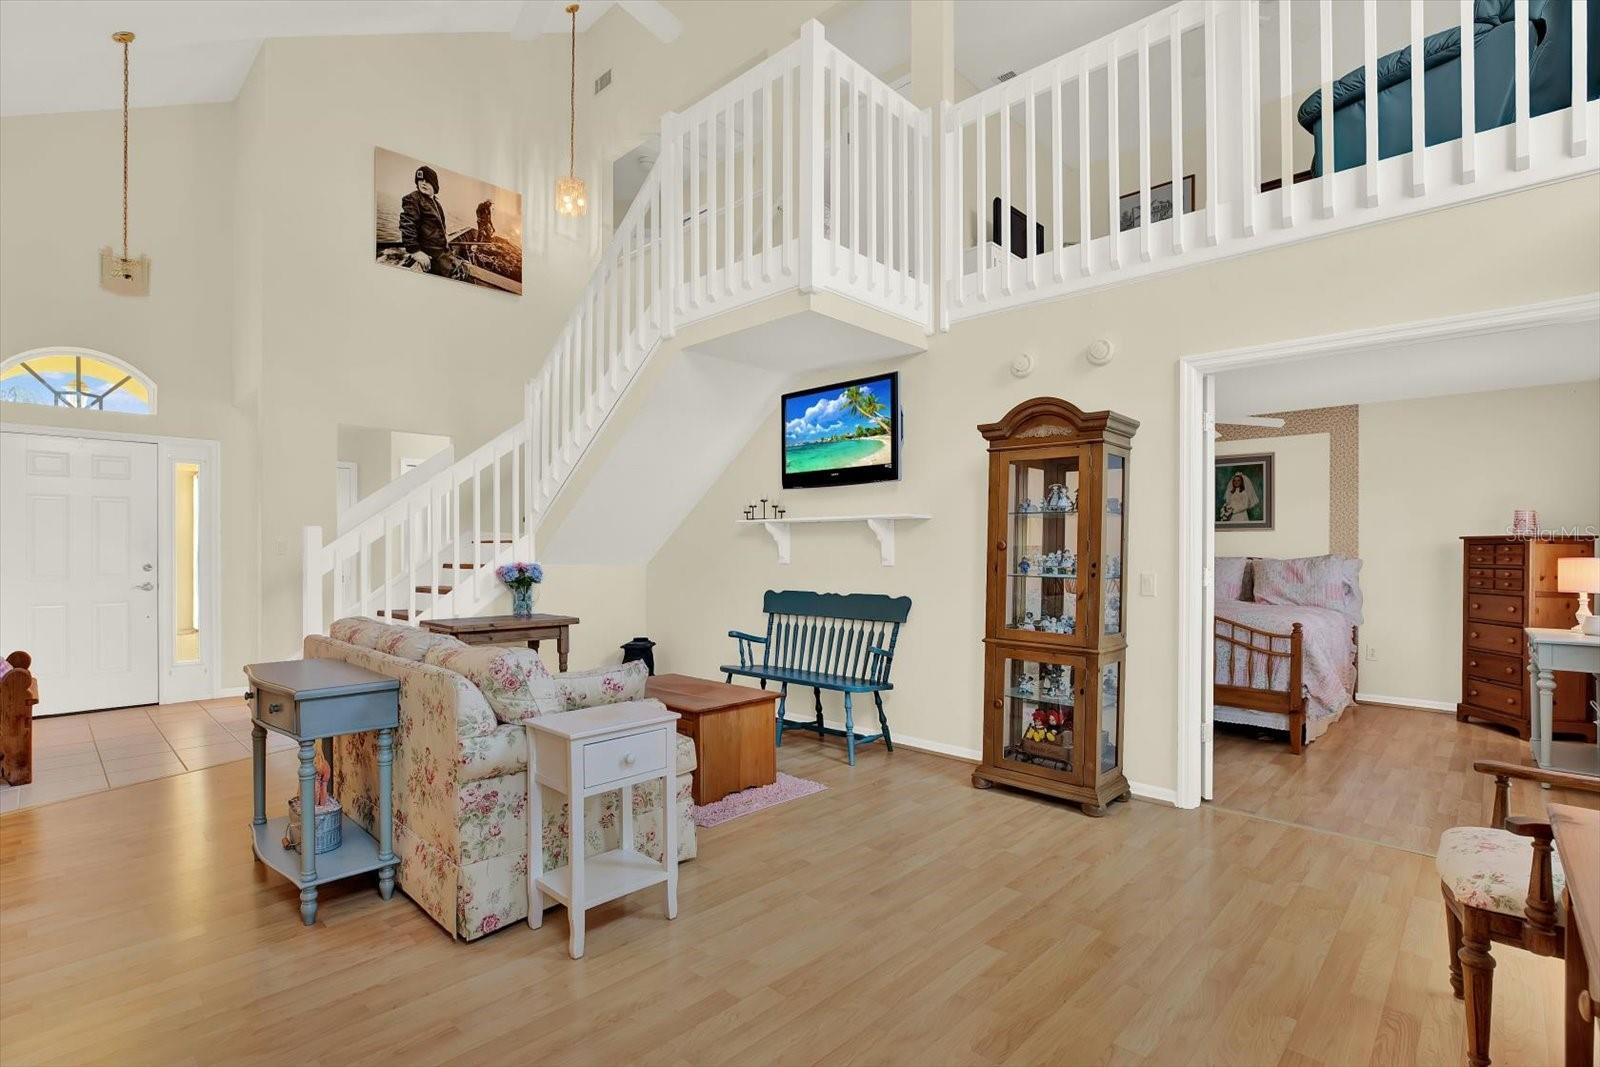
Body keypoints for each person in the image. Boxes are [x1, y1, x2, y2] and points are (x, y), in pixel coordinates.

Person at [399, 165, 464, 279]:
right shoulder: (413, 198)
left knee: (460, 270)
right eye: (420, 180)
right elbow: (407, 224)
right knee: (455, 276)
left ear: (434, 185)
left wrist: (444, 235)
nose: (423, 183)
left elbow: (439, 224)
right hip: (431, 253)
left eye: (427, 181)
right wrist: (415, 251)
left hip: (442, 249)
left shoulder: (435, 202)